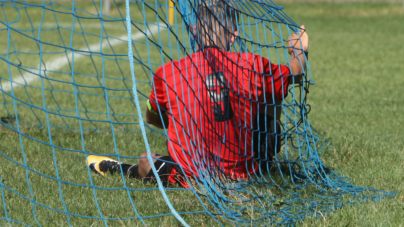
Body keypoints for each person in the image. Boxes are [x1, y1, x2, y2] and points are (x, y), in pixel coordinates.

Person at [87, 0, 309, 187]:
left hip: (194, 175)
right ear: (234, 36)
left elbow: (152, 119)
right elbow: (296, 74)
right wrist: (298, 51)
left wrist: (186, 111)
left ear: (193, 31)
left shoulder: (168, 72)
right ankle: (265, 157)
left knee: (146, 160)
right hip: (248, 170)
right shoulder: (252, 64)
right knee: (273, 88)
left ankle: (121, 169)